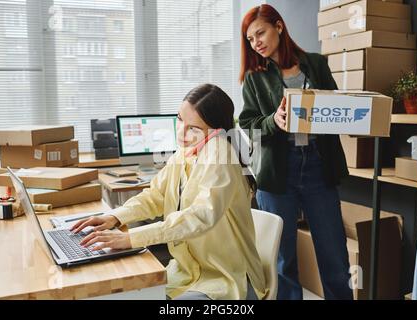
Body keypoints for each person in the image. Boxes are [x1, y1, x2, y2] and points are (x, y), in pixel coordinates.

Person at [71, 83, 267, 300]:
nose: (181, 132)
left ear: (217, 130)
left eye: (193, 128)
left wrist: (132, 238)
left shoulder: (221, 154)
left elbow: (200, 216)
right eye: (180, 119)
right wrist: (114, 216)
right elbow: (156, 195)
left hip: (225, 277)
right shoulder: (185, 152)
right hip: (187, 272)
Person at [238, 4, 353, 300]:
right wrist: (273, 121)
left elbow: (336, 107)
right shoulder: (254, 77)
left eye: (260, 33)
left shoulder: (316, 64)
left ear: (278, 26)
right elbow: (248, 124)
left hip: (318, 167)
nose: (256, 43)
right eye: (250, 39)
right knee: (282, 261)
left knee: (335, 258)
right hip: (277, 173)